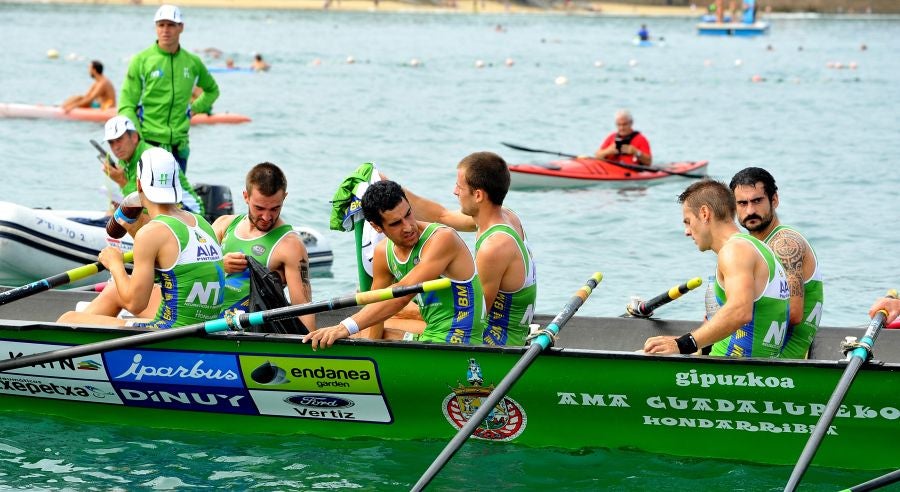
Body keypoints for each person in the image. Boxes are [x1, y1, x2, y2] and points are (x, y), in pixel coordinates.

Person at [303, 180, 484, 350]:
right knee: (368, 330)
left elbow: (401, 295)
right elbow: (375, 307)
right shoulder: (383, 253)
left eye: (408, 214)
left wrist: (344, 327)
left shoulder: (442, 239)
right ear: (377, 227)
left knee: (353, 328)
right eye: (396, 223)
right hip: (430, 334)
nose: (408, 227)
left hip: (461, 341)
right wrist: (366, 351)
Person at [57, 147, 225, 328]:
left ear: (138, 185)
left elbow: (135, 303)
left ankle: (82, 341)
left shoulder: (151, 233)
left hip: (173, 332)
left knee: (68, 319)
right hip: (206, 324)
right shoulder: (201, 222)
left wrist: (115, 264)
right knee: (114, 291)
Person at [402, 152, 537, 346]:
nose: (454, 192)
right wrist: (387, 185)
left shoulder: (494, 247)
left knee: (388, 323)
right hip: (505, 329)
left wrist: (406, 306)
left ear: (478, 195)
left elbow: (473, 318)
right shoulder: (505, 216)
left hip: (495, 342)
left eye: (459, 186)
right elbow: (442, 216)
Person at [643, 179, 790, 357]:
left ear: (704, 213)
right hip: (747, 365)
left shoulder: (734, 251)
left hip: (734, 371)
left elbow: (740, 312)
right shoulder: (757, 246)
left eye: (688, 222)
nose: (687, 231)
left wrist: (683, 344)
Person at [730, 167, 823, 359]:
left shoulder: (784, 244)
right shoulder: (757, 247)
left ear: (774, 200)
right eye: (742, 203)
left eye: (757, 201)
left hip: (780, 359)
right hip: (759, 351)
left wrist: (728, 316)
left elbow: (794, 313)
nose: (750, 210)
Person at [212, 162, 314, 330]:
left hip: (249, 328)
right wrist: (218, 264)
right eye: (259, 208)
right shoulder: (223, 225)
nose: (266, 217)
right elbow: (190, 273)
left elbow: (303, 307)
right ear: (246, 196)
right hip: (207, 315)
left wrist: (308, 351)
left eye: (275, 208)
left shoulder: (291, 246)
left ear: (284, 198)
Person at [118, 4, 219, 174]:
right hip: (147, 143)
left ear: (181, 28)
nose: (165, 30)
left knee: (175, 200)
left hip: (179, 147)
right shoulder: (141, 60)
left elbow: (212, 90)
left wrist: (194, 109)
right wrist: (136, 141)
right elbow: (126, 105)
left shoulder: (192, 62)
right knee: (144, 200)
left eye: (171, 25)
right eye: (161, 25)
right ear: (156, 27)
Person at [101, 115, 204, 216]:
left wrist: (122, 181)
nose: (116, 147)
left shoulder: (152, 157)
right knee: (113, 214)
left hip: (190, 212)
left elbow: (151, 205)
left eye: (119, 140)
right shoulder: (124, 161)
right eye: (111, 142)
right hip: (166, 210)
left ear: (134, 137)